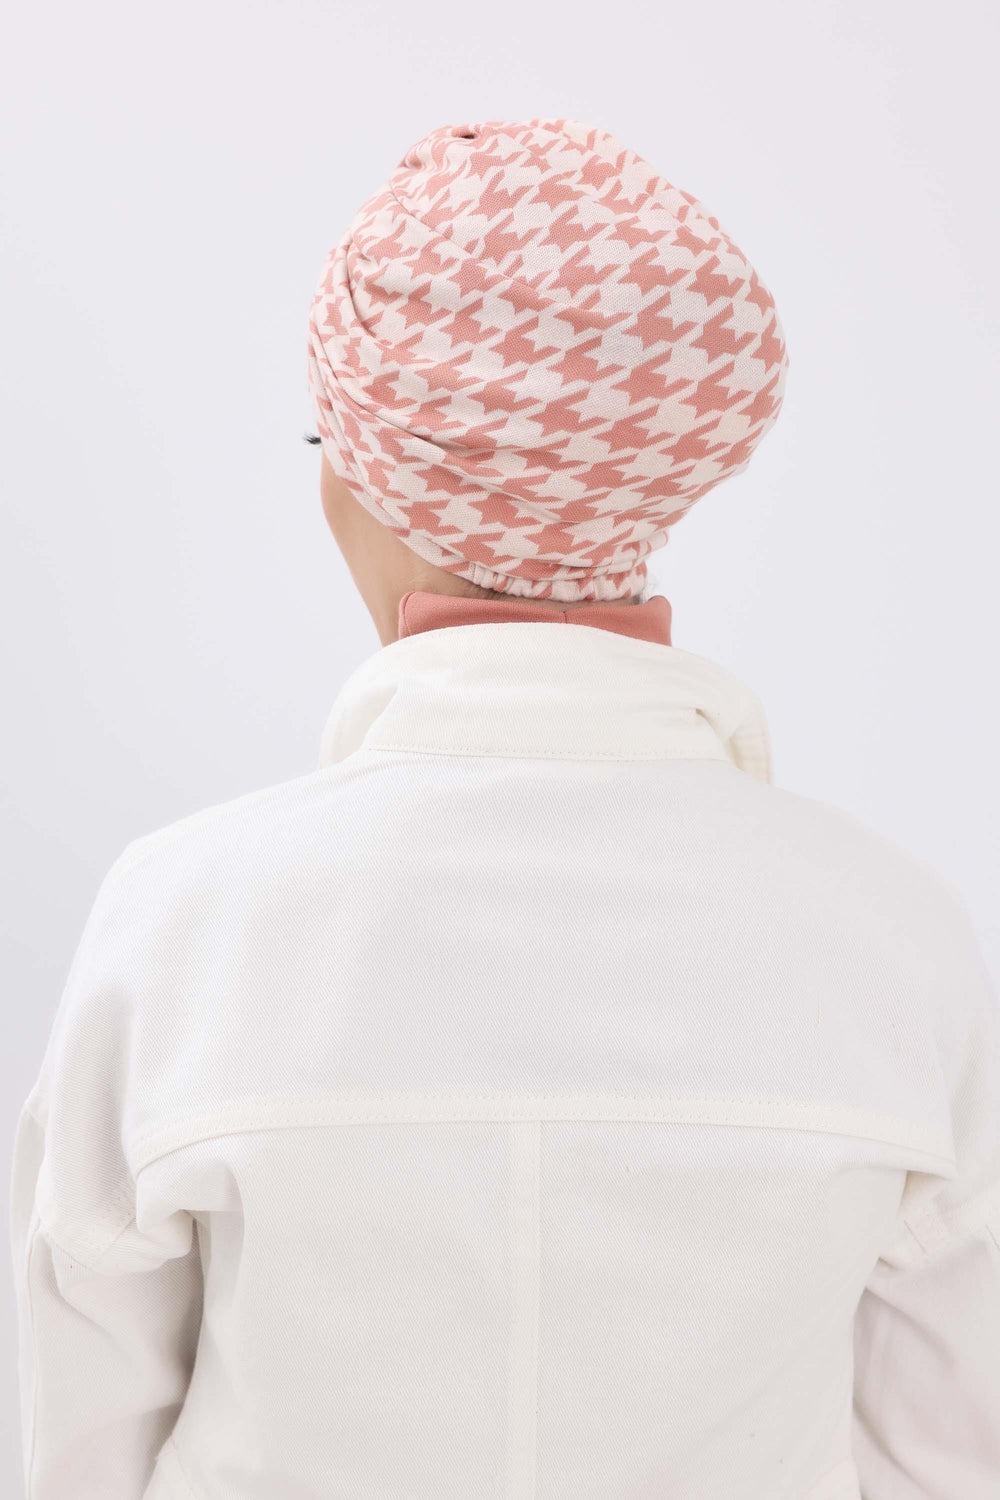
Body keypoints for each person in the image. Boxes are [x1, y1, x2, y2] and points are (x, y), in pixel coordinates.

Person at [9, 118, 999, 1500]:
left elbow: (75, 1455)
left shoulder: (181, 926)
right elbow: (945, 1456)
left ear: (357, 479)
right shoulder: (900, 939)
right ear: (658, 476)